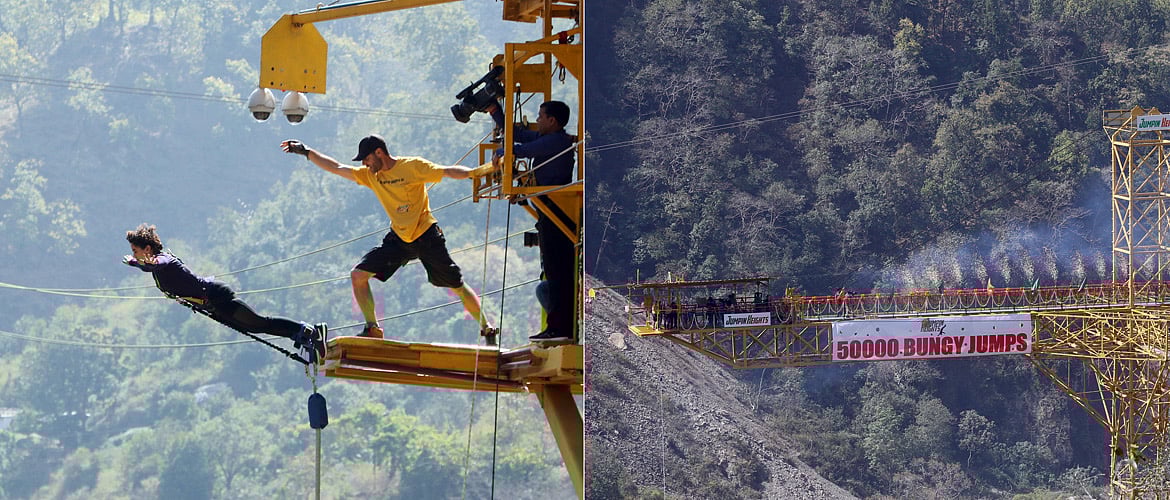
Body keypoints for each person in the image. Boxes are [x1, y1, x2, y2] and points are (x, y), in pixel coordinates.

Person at [280, 135, 496, 343]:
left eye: (366, 158)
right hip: (400, 238)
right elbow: (336, 167)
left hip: (426, 235)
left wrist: (477, 172)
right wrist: (306, 151)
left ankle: (486, 327)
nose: (364, 164)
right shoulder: (371, 176)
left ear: (379, 152)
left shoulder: (412, 166)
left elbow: (447, 171)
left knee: (456, 284)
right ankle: (372, 328)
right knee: (358, 275)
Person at [123, 223, 324, 364]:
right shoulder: (156, 268)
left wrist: (137, 263)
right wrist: (137, 262)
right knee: (254, 328)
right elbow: (151, 268)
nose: (134, 254)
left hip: (218, 296)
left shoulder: (163, 260)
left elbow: (155, 265)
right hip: (213, 305)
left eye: (135, 250)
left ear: (147, 248)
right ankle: (301, 336)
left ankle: (306, 331)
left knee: (258, 323)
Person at [490, 100, 576, 342]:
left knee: (557, 273)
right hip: (549, 211)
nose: (537, 120)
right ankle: (558, 326)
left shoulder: (557, 141)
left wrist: (503, 151)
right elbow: (519, 135)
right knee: (552, 273)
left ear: (552, 121)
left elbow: (522, 149)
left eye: (540, 116)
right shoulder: (550, 139)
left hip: (556, 211)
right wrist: (495, 111)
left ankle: (560, 328)